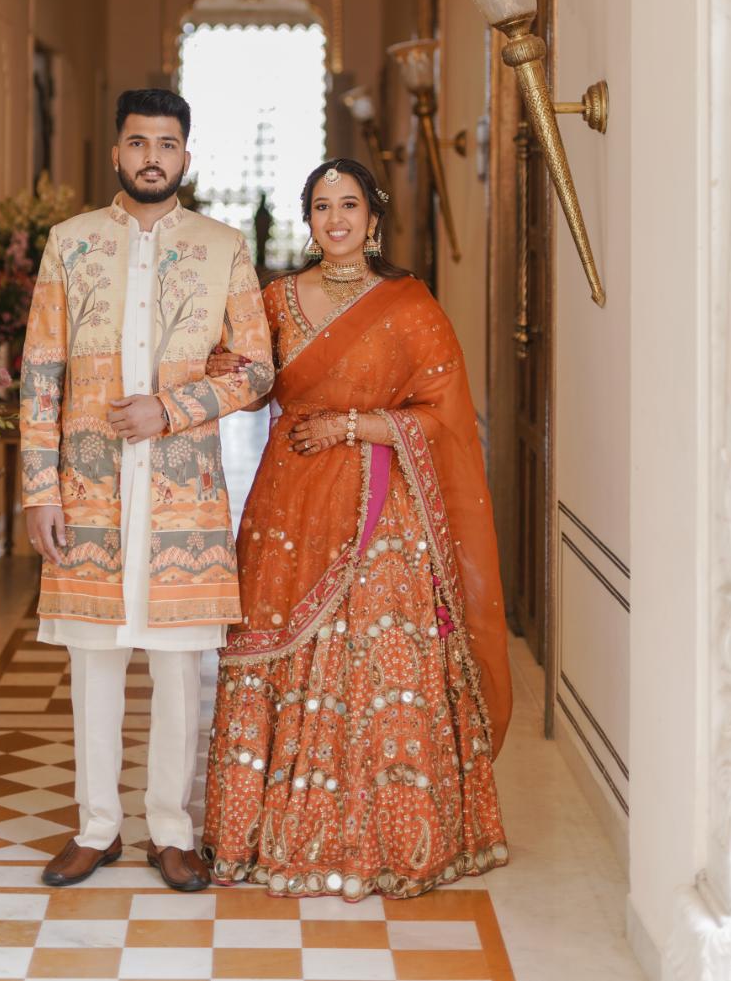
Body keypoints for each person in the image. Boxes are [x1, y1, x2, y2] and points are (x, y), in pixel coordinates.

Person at [203, 157, 511, 900]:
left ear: (373, 217)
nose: (335, 218)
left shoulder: (410, 304)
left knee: (379, 653)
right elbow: (249, 383)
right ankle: (264, 834)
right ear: (308, 219)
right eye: (321, 205)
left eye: (348, 204)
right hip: (289, 501)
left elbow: (443, 415)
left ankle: (390, 837)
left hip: (382, 504)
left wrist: (354, 425)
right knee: (278, 646)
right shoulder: (275, 299)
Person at [20, 88, 274, 892]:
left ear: (185, 157)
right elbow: (40, 371)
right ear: (117, 153)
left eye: (166, 144)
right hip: (88, 487)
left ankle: (171, 829)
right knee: (93, 662)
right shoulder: (70, 243)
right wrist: (39, 488)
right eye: (138, 143)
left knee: (177, 667)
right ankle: (97, 827)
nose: (152, 157)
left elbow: (259, 371)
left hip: (181, 493)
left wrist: (171, 408)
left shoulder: (222, 247)